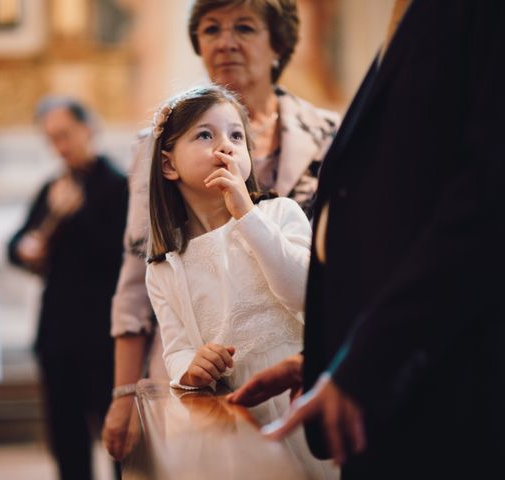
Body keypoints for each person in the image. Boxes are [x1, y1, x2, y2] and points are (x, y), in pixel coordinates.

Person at [227, 0, 505, 478]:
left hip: (444, 384)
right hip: (388, 375)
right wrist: (332, 349)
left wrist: (370, 359)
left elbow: (485, 200)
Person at [103, 0, 340, 460]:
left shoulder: (323, 145)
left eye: (244, 27)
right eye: (211, 29)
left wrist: (247, 213)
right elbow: (143, 292)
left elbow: (318, 284)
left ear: (279, 43)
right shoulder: (166, 254)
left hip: (302, 373)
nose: (226, 41)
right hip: (219, 399)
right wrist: (130, 390)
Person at [145, 84, 337, 479]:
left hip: (296, 391)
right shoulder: (165, 266)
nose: (226, 145)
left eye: (236, 136)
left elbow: (304, 294)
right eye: (205, 135)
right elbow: (177, 350)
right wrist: (190, 370)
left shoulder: (280, 214)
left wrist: (247, 216)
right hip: (232, 408)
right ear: (168, 165)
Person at [7, 97, 128, 479]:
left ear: (88, 128)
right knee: (67, 442)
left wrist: (79, 215)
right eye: (51, 139)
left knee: (119, 443)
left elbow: (122, 256)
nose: (59, 147)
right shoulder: (53, 187)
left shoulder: (118, 186)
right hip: (57, 333)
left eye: (64, 135)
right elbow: (15, 245)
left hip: (104, 335)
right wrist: (24, 249)